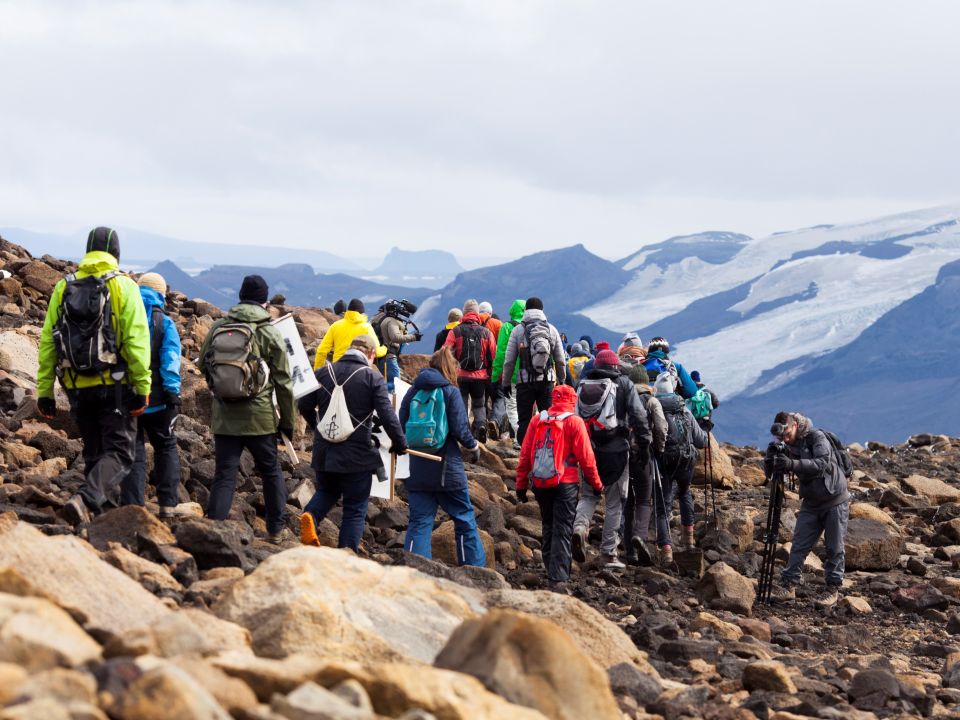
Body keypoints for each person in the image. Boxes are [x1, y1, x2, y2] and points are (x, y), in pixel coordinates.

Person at [37, 227, 151, 525]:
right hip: (115, 387)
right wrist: (142, 386)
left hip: (77, 386)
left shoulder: (64, 286)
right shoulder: (124, 287)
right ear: (116, 253)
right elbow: (136, 341)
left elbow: (49, 340)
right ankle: (86, 499)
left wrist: (45, 391)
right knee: (121, 454)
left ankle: (96, 522)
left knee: (95, 453)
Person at [199, 274, 295, 543]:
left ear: (240, 297)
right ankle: (276, 530)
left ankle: (213, 529)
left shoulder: (220, 326)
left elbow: (202, 364)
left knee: (225, 473)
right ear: (265, 300)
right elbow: (284, 383)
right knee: (270, 471)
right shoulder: (269, 332)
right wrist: (287, 422)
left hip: (225, 416)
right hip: (260, 418)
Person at [298, 335, 407, 550]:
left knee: (327, 491)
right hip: (356, 454)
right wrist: (400, 442)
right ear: (371, 354)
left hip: (324, 451)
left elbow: (304, 405)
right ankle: (346, 554)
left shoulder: (322, 372)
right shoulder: (371, 377)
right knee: (355, 507)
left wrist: (319, 428)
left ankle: (310, 515)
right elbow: (387, 415)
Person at [399, 347, 485, 566]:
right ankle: (474, 570)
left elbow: (401, 422)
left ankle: (414, 572)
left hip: (417, 465)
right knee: (464, 518)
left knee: (419, 522)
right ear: (450, 367)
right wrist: (473, 446)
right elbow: (459, 428)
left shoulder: (413, 390)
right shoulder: (450, 391)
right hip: (447, 467)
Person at [571, 349, 651, 570]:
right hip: (616, 452)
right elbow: (639, 416)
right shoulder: (624, 384)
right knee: (615, 502)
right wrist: (643, 446)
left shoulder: (583, 384)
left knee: (589, 496)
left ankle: (579, 528)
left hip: (589, 450)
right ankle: (608, 554)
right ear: (616, 366)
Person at [516, 384, 601, 586]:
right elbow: (587, 459)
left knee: (547, 524)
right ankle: (559, 578)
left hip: (540, 481)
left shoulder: (538, 420)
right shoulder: (574, 422)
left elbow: (525, 454)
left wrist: (520, 484)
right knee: (562, 528)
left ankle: (550, 568)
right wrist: (596, 484)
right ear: (573, 400)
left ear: (554, 398)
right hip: (567, 482)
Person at [765, 412, 849, 607]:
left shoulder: (816, 437)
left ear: (794, 425)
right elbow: (771, 474)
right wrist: (771, 458)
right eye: (780, 438)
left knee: (834, 547)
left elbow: (822, 463)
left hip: (834, 498)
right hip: (811, 502)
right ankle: (788, 587)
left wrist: (792, 463)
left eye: (786, 435)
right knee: (799, 546)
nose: (784, 440)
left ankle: (832, 589)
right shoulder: (786, 445)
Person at [119, 272, 184, 516]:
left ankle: (133, 506)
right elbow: (171, 358)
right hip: (160, 403)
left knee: (134, 451)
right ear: (161, 295)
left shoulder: (125, 316)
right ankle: (167, 503)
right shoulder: (165, 322)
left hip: (130, 399)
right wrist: (172, 391)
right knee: (166, 447)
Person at [652, 373, 708, 564]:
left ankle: (666, 549)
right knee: (685, 494)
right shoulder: (684, 410)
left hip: (665, 461)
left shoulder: (654, 409)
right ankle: (688, 541)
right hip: (687, 460)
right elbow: (701, 441)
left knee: (662, 505)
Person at [500, 297, 567, 446]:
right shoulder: (551, 329)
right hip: (547, 381)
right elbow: (560, 360)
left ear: (526, 311)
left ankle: (525, 456)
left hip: (524, 383)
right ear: (542, 311)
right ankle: (547, 453)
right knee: (547, 417)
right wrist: (562, 380)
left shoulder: (518, 330)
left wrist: (505, 383)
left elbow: (509, 361)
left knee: (524, 420)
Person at [623, 365, 667, 565]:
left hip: (622, 455)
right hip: (643, 454)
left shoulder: (622, 399)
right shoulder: (652, 401)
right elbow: (661, 427)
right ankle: (640, 535)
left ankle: (629, 551)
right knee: (643, 499)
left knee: (628, 502)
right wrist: (658, 450)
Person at [443, 299, 496, 442]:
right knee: (479, 405)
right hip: (480, 376)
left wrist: (450, 371)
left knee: (462, 405)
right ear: (477, 314)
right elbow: (493, 354)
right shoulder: (486, 332)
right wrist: (489, 374)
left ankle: (463, 432)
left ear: (464, 313)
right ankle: (480, 426)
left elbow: (445, 352)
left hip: (460, 376)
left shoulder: (456, 331)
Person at [490, 299, 525, 442]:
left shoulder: (507, 327)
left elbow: (501, 354)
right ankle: (528, 439)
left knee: (512, 407)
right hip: (532, 374)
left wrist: (495, 375)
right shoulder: (533, 326)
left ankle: (519, 439)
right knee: (526, 408)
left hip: (512, 375)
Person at [313, 298, 382, 370]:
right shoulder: (366, 327)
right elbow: (377, 351)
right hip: (359, 370)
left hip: (337, 369)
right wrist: (385, 348)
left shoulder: (336, 325)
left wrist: (317, 371)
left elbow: (321, 351)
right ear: (362, 313)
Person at [378, 300, 421, 394]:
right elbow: (395, 337)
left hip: (385, 358)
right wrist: (414, 337)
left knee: (389, 384)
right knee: (394, 385)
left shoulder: (387, 320)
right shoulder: (391, 321)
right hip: (389, 358)